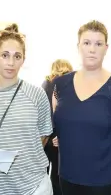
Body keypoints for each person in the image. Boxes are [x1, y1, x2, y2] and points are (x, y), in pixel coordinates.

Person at [52, 20, 111, 195]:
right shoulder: (60, 86)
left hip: (106, 179)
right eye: (87, 43)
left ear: (106, 48)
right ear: (78, 46)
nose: (92, 49)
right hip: (68, 176)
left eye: (98, 44)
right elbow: (61, 127)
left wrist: (106, 155)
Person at [0, 24, 53, 195]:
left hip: (33, 187)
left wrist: (21, 157)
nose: (11, 63)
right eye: (5, 55)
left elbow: (43, 136)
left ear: (23, 60)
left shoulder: (36, 94)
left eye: (17, 56)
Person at [42, 59, 73, 195]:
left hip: (47, 134)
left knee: (46, 171)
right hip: (63, 133)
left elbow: (42, 111)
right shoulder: (71, 84)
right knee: (60, 173)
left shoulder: (46, 83)